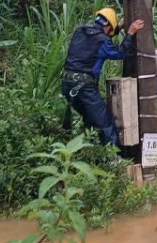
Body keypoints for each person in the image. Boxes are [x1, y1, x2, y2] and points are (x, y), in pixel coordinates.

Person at [61, 7, 146, 146]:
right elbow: (120, 53)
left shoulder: (80, 31)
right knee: (105, 124)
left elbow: (101, 36)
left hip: (67, 86)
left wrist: (117, 27)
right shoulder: (102, 41)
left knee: (90, 120)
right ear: (108, 27)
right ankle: (115, 162)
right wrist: (130, 33)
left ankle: (92, 153)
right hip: (84, 89)